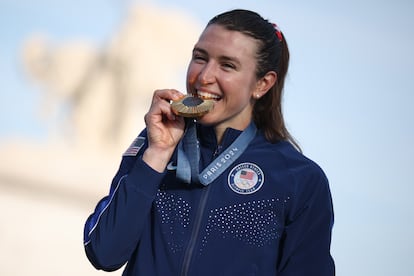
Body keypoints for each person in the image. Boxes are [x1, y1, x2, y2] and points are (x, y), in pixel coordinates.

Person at [83, 9, 335, 276]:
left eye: (227, 65)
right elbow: (104, 252)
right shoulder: (154, 144)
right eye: (199, 58)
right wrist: (158, 154)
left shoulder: (299, 178)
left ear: (262, 84)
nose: (204, 76)